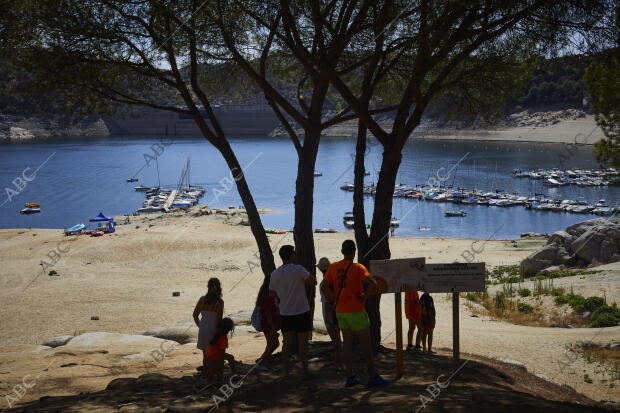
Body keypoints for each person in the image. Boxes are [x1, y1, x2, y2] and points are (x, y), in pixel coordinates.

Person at [322, 240, 389, 387]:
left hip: (341, 311)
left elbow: (323, 286)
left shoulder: (333, 267)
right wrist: (365, 295)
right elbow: (375, 284)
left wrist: (332, 299)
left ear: (342, 251)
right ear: (354, 252)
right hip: (356, 311)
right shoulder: (358, 268)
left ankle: (350, 376)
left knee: (347, 344)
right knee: (366, 345)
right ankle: (373, 376)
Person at [269, 245, 317, 379]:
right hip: (301, 310)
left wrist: (282, 296)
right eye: (294, 253)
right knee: (303, 343)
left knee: (287, 343)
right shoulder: (298, 269)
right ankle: (305, 371)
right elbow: (314, 282)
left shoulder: (275, 273)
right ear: (291, 256)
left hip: (285, 312)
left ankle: (286, 371)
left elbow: (272, 293)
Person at [193, 278, 224, 375]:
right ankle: (216, 376)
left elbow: (195, 315)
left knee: (206, 356)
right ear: (219, 287)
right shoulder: (219, 302)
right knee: (216, 356)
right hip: (214, 330)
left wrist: (200, 326)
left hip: (203, 330)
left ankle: (207, 378)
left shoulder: (202, 299)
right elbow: (218, 320)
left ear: (208, 287)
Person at [317, 257, 342, 369]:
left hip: (331, 314)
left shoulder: (324, 284)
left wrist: (327, 318)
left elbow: (328, 302)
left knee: (335, 339)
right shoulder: (335, 280)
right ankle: (339, 360)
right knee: (338, 338)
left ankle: (338, 362)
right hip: (339, 311)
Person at [256, 275, 281, 369]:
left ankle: (266, 364)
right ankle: (261, 361)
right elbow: (267, 313)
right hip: (268, 325)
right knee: (274, 344)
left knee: (271, 344)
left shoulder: (270, 294)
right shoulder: (268, 296)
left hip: (270, 324)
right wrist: (273, 328)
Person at [204, 317, 238, 384]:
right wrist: (221, 360)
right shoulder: (223, 338)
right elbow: (221, 352)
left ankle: (209, 381)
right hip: (215, 354)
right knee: (229, 359)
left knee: (213, 368)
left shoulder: (217, 333)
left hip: (208, 354)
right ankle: (234, 375)